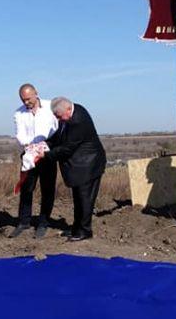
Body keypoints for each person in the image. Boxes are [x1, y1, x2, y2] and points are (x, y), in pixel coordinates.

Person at [43, 97, 106, 241]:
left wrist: (45, 155)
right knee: (78, 198)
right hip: (80, 166)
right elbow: (60, 135)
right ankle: (76, 228)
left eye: (59, 116)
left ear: (68, 109)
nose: (58, 119)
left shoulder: (78, 121)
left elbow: (67, 148)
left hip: (88, 165)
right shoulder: (70, 113)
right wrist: (46, 143)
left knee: (85, 199)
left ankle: (84, 231)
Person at [11, 83, 58, 239]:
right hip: (29, 154)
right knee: (26, 188)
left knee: (48, 189)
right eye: (23, 100)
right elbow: (20, 134)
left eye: (28, 99)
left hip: (47, 153)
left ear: (36, 93)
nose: (26, 103)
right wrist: (29, 145)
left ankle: (43, 222)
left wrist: (46, 146)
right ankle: (24, 221)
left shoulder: (51, 106)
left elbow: (58, 128)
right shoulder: (19, 113)